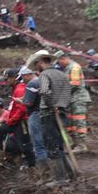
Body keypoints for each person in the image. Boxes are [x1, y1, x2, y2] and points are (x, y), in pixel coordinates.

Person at [28, 50, 75, 185]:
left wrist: (51, 104)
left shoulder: (44, 75)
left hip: (48, 114)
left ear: (41, 62)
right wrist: (61, 106)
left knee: (52, 146)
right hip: (62, 112)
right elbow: (68, 93)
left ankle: (60, 179)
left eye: (36, 64)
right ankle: (71, 174)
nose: (36, 67)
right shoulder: (62, 74)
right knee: (59, 145)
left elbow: (44, 91)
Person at [54, 51, 92, 152]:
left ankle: (82, 145)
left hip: (78, 98)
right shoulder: (67, 69)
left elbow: (75, 84)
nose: (59, 64)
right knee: (71, 122)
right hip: (71, 99)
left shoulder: (74, 67)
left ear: (63, 59)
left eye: (59, 62)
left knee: (78, 121)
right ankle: (76, 143)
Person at [21, 66, 51, 181]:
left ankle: (45, 174)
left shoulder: (32, 84)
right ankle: (52, 170)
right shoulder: (44, 81)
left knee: (38, 144)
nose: (23, 80)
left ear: (27, 75)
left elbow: (29, 102)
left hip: (35, 115)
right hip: (47, 114)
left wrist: (21, 101)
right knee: (47, 142)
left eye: (23, 77)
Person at [1, 68, 34, 167]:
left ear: (14, 78)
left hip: (22, 121)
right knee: (20, 142)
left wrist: (11, 121)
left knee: (25, 143)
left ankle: (31, 164)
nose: (6, 81)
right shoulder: (16, 88)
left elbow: (22, 109)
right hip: (18, 120)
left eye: (7, 79)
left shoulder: (19, 89)